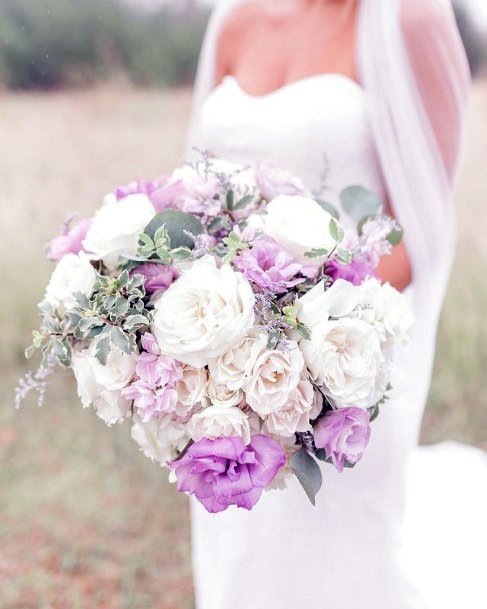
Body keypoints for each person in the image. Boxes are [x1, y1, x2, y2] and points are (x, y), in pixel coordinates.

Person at [186, 1, 486, 608]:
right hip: (220, 357)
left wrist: (303, 351)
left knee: (336, 548)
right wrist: (209, 339)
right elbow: (196, 185)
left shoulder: (410, 19)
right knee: (243, 537)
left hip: (350, 360)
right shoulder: (232, 18)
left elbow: (423, 225)